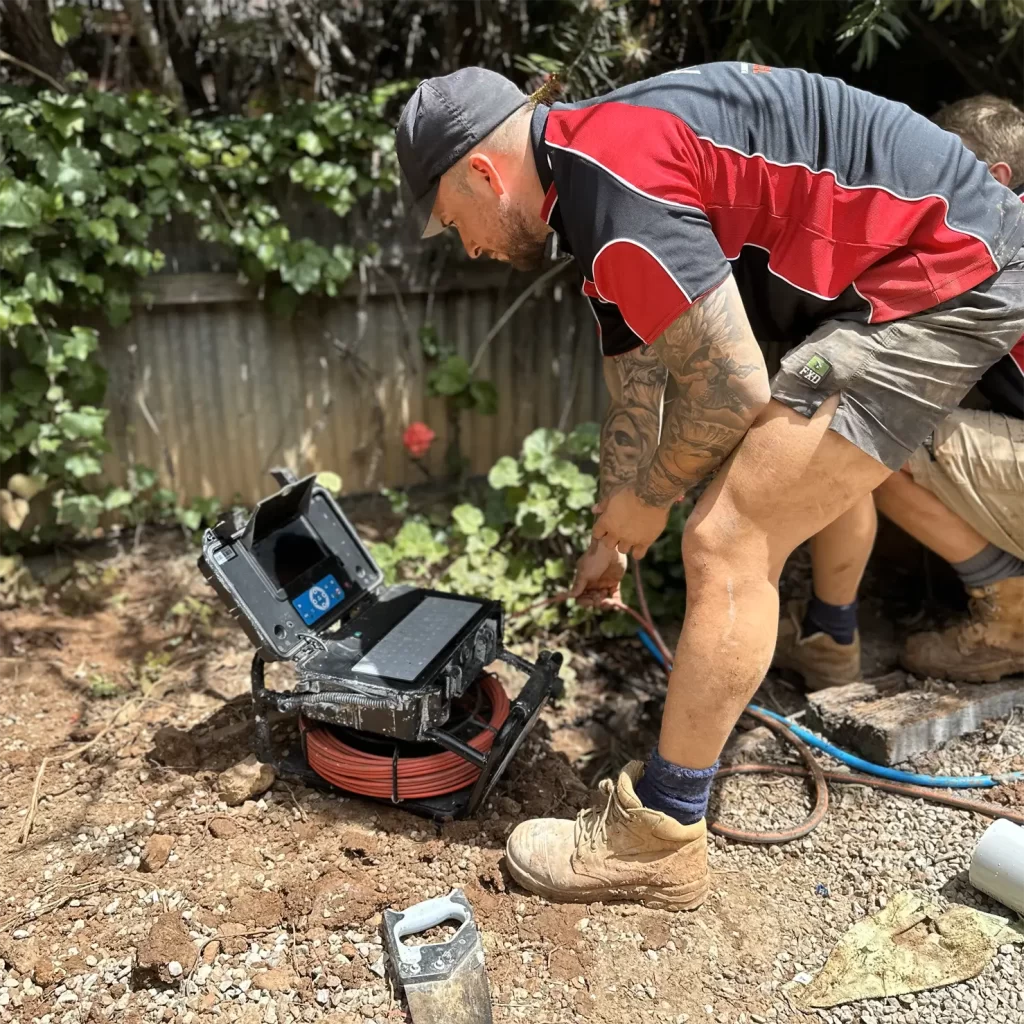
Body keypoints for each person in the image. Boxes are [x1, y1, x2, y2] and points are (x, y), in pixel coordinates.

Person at [395, 64, 1024, 910]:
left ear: (482, 171)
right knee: (765, 473)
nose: (466, 243)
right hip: (928, 259)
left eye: (451, 221)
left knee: (728, 535)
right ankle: (828, 647)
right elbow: (638, 377)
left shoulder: (616, 180)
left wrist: (653, 500)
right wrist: (612, 529)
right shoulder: (590, 181)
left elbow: (732, 390)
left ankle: (656, 838)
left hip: (950, 265)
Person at [773, 93, 1024, 690]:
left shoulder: (993, 243)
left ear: (995, 179)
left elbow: (871, 368)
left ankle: (833, 636)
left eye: (943, 168)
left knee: (859, 421)